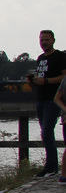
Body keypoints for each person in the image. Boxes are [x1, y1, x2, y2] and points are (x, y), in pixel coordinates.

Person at [30, 29, 66, 176]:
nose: (44, 42)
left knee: (46, 132)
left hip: (53, 100)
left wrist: (46, 81)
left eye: (47, 40)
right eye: (42, 40)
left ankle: (51, 167)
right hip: (40, 99)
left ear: (53, 41)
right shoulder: (40, 58)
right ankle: (51, 166)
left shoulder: (60, 56)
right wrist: (34, 81)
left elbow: (64, 77)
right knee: (45, 134)